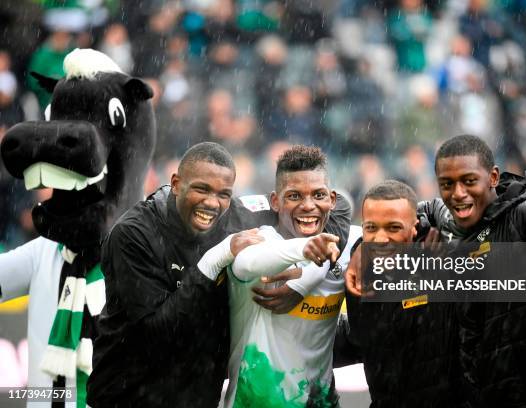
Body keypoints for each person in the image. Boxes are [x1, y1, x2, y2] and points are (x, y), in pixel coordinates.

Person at [346, 134, 526, 407]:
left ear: (493, 177)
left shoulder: (524, 218)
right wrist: (361, 249)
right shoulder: (444, 224)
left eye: (469, 181)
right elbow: (399, 214)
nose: (458, 193)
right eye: (447, 184)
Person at [87, 142, 352, 407]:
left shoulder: (236, 215)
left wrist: (310, 275)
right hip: (127, 396)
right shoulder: (134, 234)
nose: (212, 203)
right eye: (202, 189)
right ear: (177, 184)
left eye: (223, 193)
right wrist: (214, 260)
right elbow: (157, 336)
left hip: (198, 398)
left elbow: (336, 207)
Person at [198, 145, 360, 407]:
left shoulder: (349, 246)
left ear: (331, 198)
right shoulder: (258, 240)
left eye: (318, 195)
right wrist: (307, 250)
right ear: (275, 201)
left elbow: (429, 270)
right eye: (294, 196)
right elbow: (246, 264)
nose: (308, 206)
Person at [346, 180, 467, 407]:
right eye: (371, 228)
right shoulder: (359, 269)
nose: (381, 239)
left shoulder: (442, 257)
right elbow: (362, 338)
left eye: (393, 228)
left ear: (415, 227)